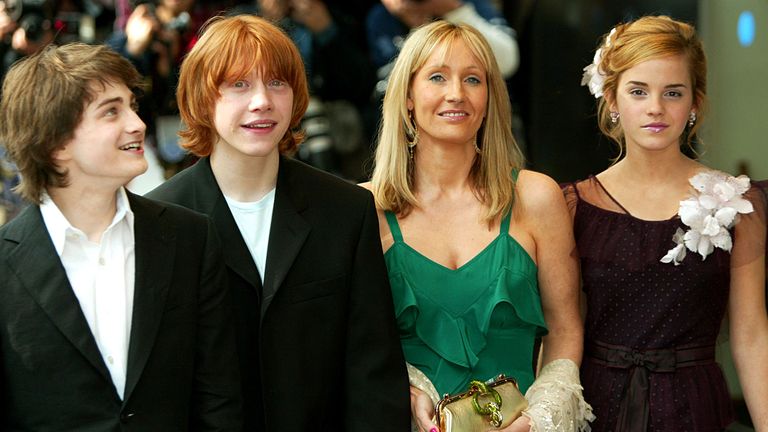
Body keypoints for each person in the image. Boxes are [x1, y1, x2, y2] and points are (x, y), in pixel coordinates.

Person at [146, 14, 410, 431]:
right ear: (202, 98)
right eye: (239, 85)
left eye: (276, 83)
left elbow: (373, 372)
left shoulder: (346, 210)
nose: (262, 102)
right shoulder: (159, 220)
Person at [362, 20, 594, 432]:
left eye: (473, 79)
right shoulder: (366, 209)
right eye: (437, 77)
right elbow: (353, 348)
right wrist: (407, 392)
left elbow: (564, 331)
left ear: (489, 98)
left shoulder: (536, 197)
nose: (457, 94)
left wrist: (534, 422)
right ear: (409, 97)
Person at [0, 42, 241, 430]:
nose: (137, 124)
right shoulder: (5, 267)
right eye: (111, 111)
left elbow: (218, 400)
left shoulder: (190, 238)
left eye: (132, 105)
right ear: (56, 144)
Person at [565, 15, 768, 431]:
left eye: (672, 92)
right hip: (597, 405)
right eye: (638, 91)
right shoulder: (572, 205)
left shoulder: (738, 205)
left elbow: (750, 335)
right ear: (612, 100)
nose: (655, 107)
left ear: (694, 103)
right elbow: (561, 332)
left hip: (695, 406)